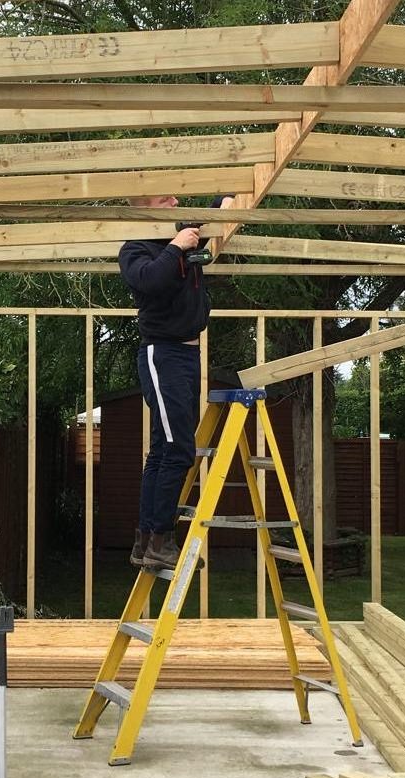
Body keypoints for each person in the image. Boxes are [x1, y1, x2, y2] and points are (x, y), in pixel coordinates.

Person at [120, 193, 236, 570]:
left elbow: (216, 206)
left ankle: (146, 540)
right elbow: (150, 281)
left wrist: (228, 201)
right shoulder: (136, 249)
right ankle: (160, 539)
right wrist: (176, 247)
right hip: (162, 353)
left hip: (186, 355)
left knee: (162, 451)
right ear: (145, 207)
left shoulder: (184, 236)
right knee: (179, 450)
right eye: (164, 197)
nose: (175, 200)